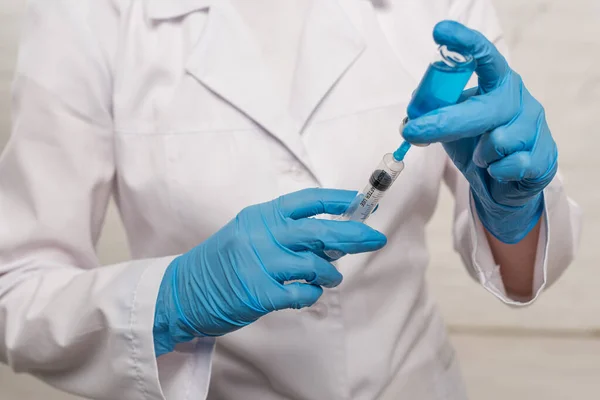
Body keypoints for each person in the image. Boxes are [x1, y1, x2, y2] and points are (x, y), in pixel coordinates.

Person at [0, 0, 581, 399]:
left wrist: (514, 208)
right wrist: (169, 299)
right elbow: (15, 288)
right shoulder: (88, 16)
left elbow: (522, 270)